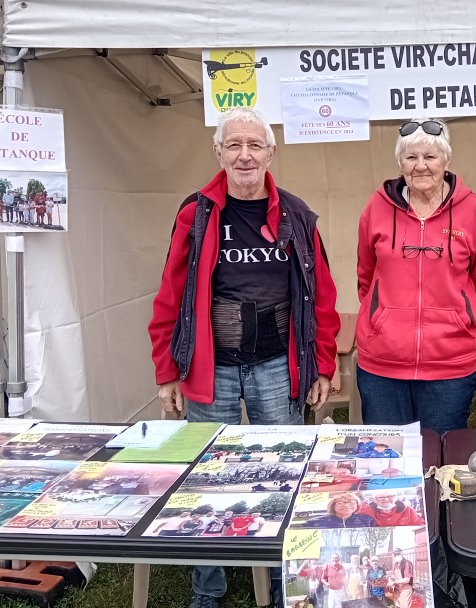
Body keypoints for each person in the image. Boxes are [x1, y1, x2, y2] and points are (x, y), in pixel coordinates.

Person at [149, 106, 341, 608]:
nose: (245, 154)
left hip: (277, 364)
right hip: (212, 367)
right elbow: (171, 292)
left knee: (284, 468)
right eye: (234, 145)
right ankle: (207, 587)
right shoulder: (196, 214)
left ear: (271, 153)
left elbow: (322, 294)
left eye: (255, 145)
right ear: (218, 152)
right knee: (205, 471)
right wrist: (167, 368)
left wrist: (323, 361)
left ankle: (283, 581)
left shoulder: (297, 216)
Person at [355, 117, 476, 432]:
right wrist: (382, 317)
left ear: (446, 161)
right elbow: (366, 275)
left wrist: (461, 316)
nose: (420, 165)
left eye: (430, 156)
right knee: (386, 458)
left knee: (441, 457)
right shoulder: (376, 208)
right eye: (411, 157)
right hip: (382, 366)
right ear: (400, 163)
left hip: (449, 366)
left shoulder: (474, 210)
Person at [303, 492, 376, 528]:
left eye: (351, 502)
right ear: (333, 505)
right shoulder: (314, 522)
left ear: (358, 505)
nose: (347, 505)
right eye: (340, 503)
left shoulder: (368, 520)